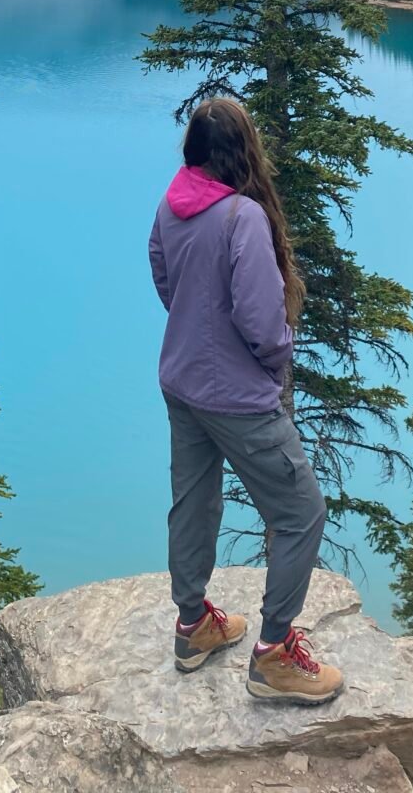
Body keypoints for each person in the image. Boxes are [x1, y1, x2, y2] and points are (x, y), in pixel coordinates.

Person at [149, 97, 344, 704]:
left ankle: (193, 627)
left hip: (182, 383)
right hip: (236, 397)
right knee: (302, 511)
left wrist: (193, 330)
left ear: (194, 152)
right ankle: (275, 653)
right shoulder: (242, 218)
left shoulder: (171, 205)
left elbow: (163, 276)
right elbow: (262, 325)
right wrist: (276, 356)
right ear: (242, 151)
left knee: (194, 502)